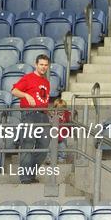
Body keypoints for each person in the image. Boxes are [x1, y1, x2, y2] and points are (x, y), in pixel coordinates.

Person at [11, 54, 51, 184]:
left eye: (46, 65)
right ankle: (25, 178)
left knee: (44, 147)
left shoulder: (46, 82)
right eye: (41, 64)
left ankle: (31, 173)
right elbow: (14, 91)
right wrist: (26, 95)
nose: (43, 67)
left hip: (43, 116)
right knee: (27, 144)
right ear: (36, 64)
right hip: (29, 114)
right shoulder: (28, 78)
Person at [52, 98, 71, 163]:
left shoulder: (66, 115)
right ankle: (52, 159)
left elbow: (69, 122)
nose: (61, 110)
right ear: (55, 108)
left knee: (63, 148)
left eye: (63, 108)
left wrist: (70, 132)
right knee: (53, 148)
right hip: (54, 135)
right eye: (59, 108)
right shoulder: (53, 115)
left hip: (63, 135)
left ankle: (61, 160)